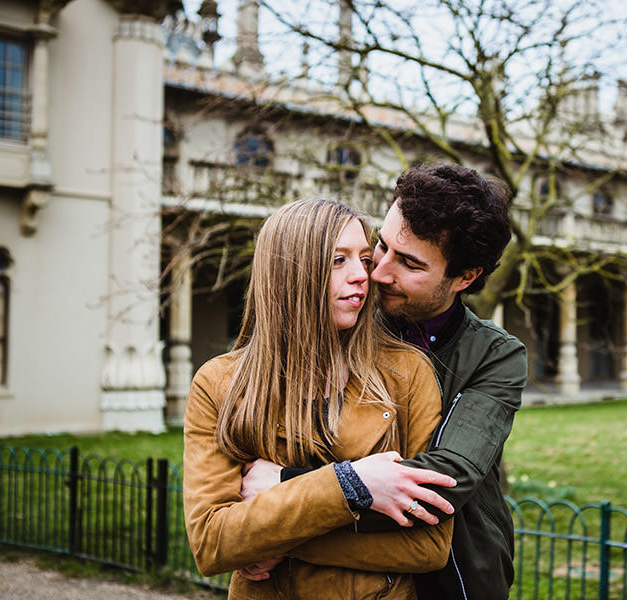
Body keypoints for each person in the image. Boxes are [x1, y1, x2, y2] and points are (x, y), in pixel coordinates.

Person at [242, 164, 528, 600]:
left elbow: (442, 481)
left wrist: (285, 493)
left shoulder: (496, 356)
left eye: (409, 263)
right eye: (382, 245)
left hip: (454, 577)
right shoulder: (345, 319)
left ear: (465, 277)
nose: (377, 273)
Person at [183, 198, 455, 599]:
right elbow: (212, 542)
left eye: (364, 259)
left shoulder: (407, 373)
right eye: (338, 260)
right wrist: (352, 484)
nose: (362, 275)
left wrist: (276, 536)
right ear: (290, 273)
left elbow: (429, 546)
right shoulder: (222, 384)